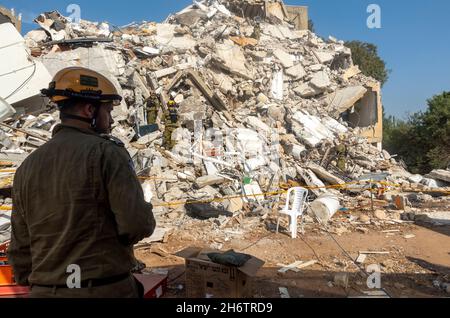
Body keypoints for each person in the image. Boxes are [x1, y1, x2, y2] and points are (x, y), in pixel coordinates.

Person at [8, 67, 156, 298]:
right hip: (101, 289)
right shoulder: (107, 153)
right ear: (90, 110)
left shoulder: (27, 166)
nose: (111, 120)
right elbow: (136, 224)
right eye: (107, 110)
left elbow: (19, 246)